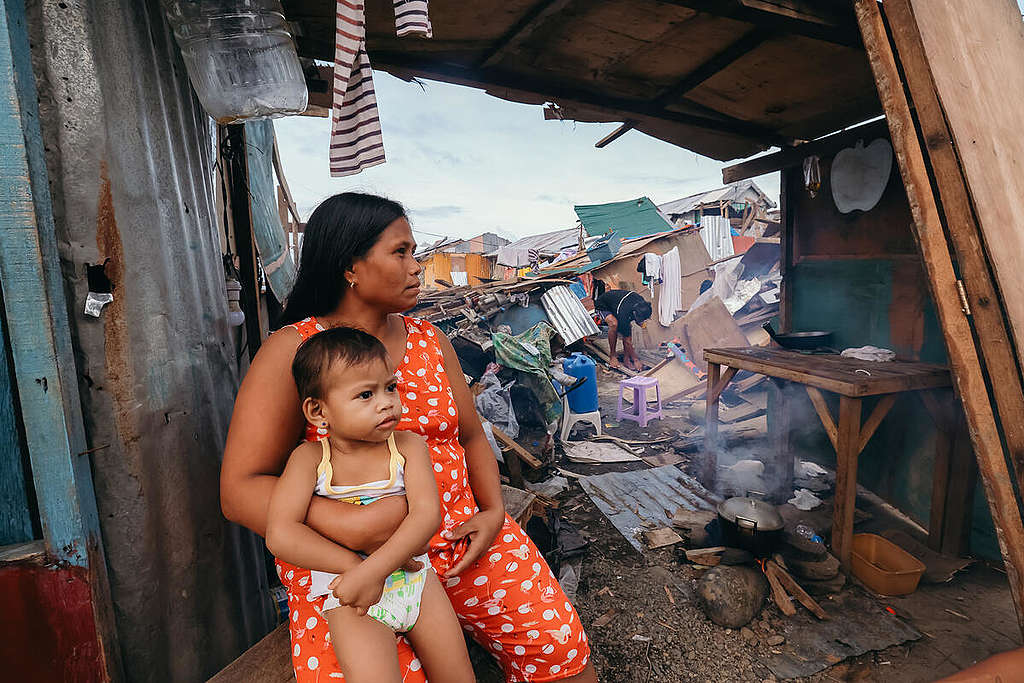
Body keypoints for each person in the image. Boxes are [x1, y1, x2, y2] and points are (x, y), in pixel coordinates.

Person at [221, 192, 596, 683]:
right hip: (348, 565)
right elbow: (240, 489)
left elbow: (473, 439)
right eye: (400, 252)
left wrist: (493, 512)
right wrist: (344, 525)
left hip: (461, 542)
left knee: (558, 649)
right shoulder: (294, 350)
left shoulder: (431, 341)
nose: (416, 266)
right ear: (350, 265)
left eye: (414, 252)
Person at [265, 326, 474, 683]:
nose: (386, 402)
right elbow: (281, 534)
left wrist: (372, 569)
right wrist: (353, 566)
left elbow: (427, 516)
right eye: (365, 394)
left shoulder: (407, 446)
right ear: (318, 411)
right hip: (350, 599)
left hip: (417, 584)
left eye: (390, 387)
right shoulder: (309, 459)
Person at [594, 288, 653, 371]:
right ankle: (613, 355)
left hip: (617, 305)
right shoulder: (624, 314)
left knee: (627, 331)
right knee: (614, 324)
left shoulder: (642, 304)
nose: (641, 322)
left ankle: (626, 359)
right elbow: (627, 341)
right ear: (634, 313)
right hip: (603, 306)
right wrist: (636, 360)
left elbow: (627, 338)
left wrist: (642, 324)